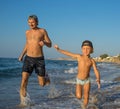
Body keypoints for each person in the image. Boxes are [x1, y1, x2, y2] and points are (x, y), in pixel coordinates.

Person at [54, 40, 100, 109]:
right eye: (84, 48)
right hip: (79, 80)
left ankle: (84, 107)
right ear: (81, 49)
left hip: (87, 80)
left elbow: (96, 70)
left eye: (88, 48)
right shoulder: (79, 57)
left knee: (86, 96)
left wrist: (98, 78)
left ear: (91, 49)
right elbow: (68, 53)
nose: (85, 50)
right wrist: (59, 49)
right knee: (79, 96)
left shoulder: (92, 61)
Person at [18, 15, 52, 106]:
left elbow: (50, 44)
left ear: (37, 22)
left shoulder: (42, 31)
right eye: (29, 22)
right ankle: (23, 103)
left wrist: (44, 42)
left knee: (42, 84)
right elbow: (27, 44)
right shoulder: (27, 32)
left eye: (32, 22)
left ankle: (46, 76)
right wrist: (22, 54)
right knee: (24, 80)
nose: (31, 24)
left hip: (39, 59)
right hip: (28, 58)